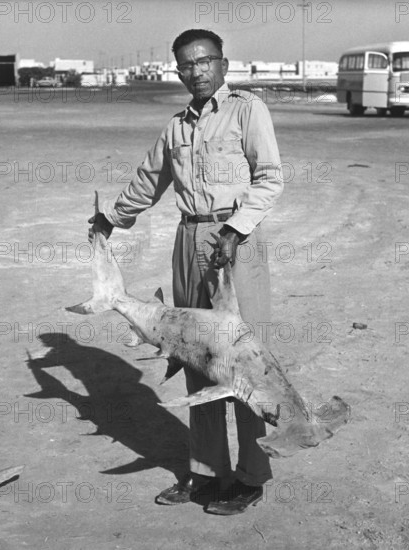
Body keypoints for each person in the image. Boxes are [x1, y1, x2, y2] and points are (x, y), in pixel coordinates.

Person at [89, 28, 283, 515]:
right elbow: (149, 180)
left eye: (204, 62)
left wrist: (235, 230)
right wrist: (111, 219)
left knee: (242, 363)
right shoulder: (176, 127)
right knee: (195, 359)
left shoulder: (247, 109)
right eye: (186, 65)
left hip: (234, 242)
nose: (195, 71)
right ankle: (206, 473)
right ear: (178, 71)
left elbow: (270, 177)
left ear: (222, 63)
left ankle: (251, 475)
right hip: (188, 239)